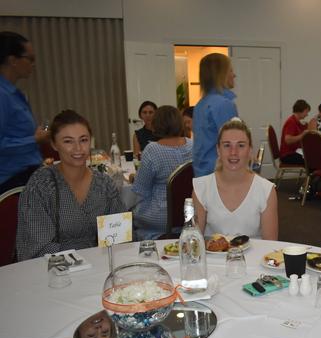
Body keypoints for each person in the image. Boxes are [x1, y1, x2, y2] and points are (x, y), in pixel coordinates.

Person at [16, 110, 125, 261]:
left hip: (100, 266)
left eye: (83, 140)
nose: (78, 148)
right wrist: (87, 255)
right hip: (54, 272)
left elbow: (120, 237)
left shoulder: (104, 184)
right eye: (68, 141)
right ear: (54, 144)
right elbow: (37, 247)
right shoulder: (41, 185)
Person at [193, 119, 278, 240]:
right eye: (227, 145)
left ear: (249, 150)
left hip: (254, 258)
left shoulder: (266, 190)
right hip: (212, 259)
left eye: (241, 145)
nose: (233, 152)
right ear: (218, 150)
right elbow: (194, 242)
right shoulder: (201, 188)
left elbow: (271, 246)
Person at [132, 106, 193, 240]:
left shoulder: (152, 150)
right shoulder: (193, 145)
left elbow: (141, 190)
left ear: (156, 124)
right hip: (189, 214)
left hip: (160, 220)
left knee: (128, 211)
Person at [0, 31, 46, 194]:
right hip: (13, 180)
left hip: (25, 176)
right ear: (13, 60)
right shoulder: (2, 94)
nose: (33, 64)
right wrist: (34, 139)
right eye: (30, 59)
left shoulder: (15, 94)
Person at [192, 53, 238, 177]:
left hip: (202, 171)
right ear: (221, 75)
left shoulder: (200, 105)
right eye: (231, 71)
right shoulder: (223, 104)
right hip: (220, 173)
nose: (234, 75)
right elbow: (234, 144)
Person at [279, 99, 312, 165]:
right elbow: (288, 140)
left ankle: (313, 174)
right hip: (287, 155)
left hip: (294, 152)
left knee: (313, 156)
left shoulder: (297, 121)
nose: (307, 114)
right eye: (306, 112)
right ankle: (313, 175)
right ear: (300, 111)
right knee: (312, 159)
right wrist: (302, 135)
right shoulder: (291, 122)